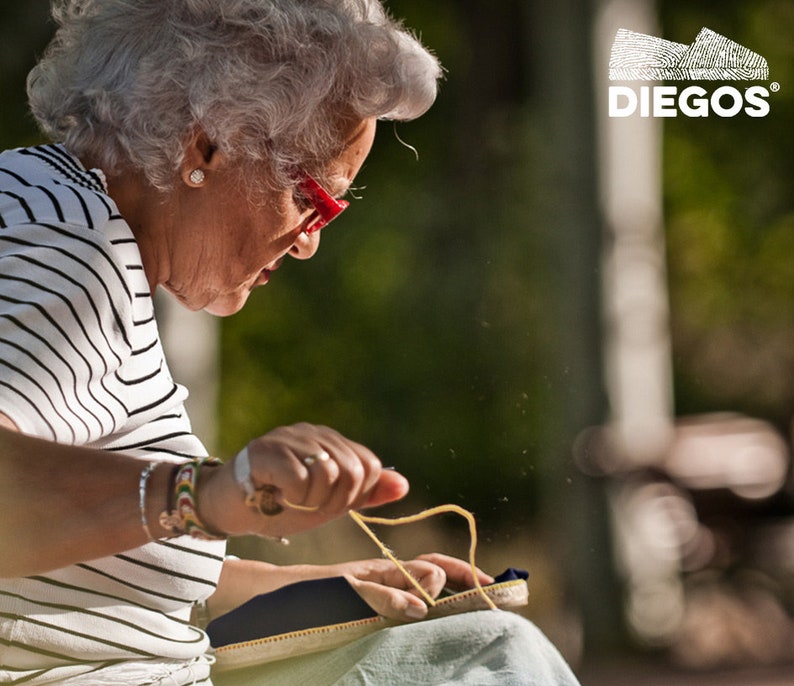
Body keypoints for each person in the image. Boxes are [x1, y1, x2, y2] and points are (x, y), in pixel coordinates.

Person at [0, 1, 582, 684]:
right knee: (492, 660)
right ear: (206, 146)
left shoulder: (54, 216)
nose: (309, 242)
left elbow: (80, 586)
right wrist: (198, 494)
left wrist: (323, 581)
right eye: (314, 198)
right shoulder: (67, 245)